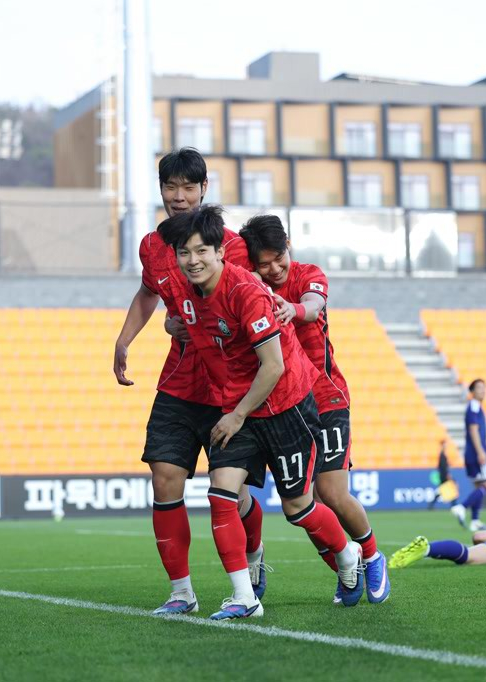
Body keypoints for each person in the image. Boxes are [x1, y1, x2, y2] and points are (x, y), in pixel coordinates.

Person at [165, 206, 365, 619]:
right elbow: (184, 324)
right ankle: (244, 598)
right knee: (221, 495)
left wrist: (235, 414)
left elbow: (273, 366)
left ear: (222, 251)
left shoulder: (247, 292)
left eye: (202, 250)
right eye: (184, 253)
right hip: (236, 409)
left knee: (298, 509)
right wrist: (173, 326)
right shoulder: (188, 296)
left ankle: (349, 554)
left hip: (284, 406)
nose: (193, 260)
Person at [112, 148, 266, 615]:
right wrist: (124, 341)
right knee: (164, 479)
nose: (178, 197)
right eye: (170, 187)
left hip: (229, 387)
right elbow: (147, 293)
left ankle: (254, 558)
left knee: (233, 493)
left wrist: (197, 321)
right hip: (179, 383)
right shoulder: (151, 246)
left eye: (188, 187)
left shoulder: (233, 245)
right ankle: (181, 592)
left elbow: (254, 306)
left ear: (203, 190)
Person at [238, 214, 389, 605]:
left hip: (326, 397)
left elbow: (312, 303)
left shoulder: (308, 274)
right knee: (305, 507)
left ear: (288, 246)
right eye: (263, 264)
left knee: (332, 493)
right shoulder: (249, 288)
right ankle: (347, 566)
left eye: (278, 259)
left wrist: (292, 309)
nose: (272, 270)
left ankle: (372, 556)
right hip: (287, 405)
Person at [451, 379, 486, 531]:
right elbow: (473, 430)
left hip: (473, 452)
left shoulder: (477, 408)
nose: (483, 391)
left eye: (484, 387)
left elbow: (480, 433)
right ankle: (461, 507)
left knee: (479, 486)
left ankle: (475, 520)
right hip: (476, 453)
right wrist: (481, 452)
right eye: (479, 388)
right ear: (472, 391)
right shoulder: (474, 407)